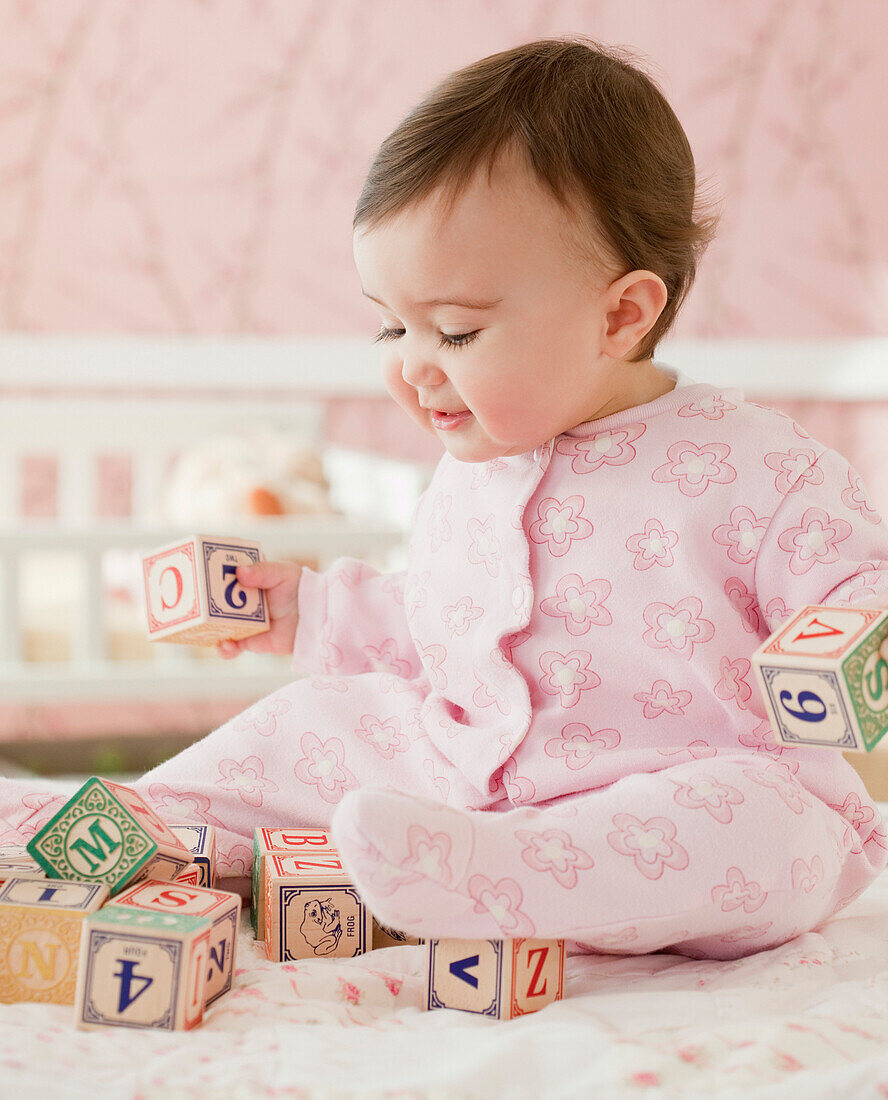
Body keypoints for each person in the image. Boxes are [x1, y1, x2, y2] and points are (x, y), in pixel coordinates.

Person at [3, 36, 886, 960]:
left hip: (674, 785)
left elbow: (855, 589)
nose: (411, 365)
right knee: (308, 727)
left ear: (621, 315)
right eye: (391, 323)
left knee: (759, 826)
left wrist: (856, 640)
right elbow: (438, 629)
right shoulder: (477, 465)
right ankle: (123, 828)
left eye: (457, 332)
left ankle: (510, 880)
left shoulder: (759, 466)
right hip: (462, 772)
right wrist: (308, 610)